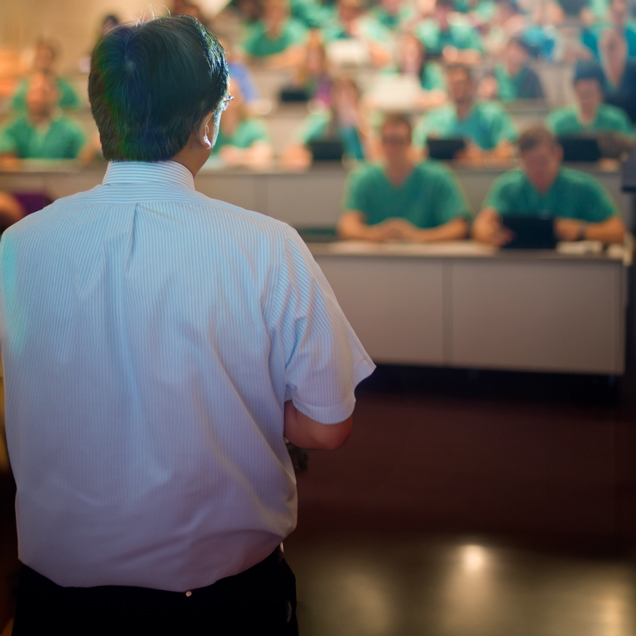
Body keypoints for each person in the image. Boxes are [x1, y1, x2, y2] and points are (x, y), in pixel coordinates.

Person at [1, 15, 374, 634]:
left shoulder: (19, 246)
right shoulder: (266, 247)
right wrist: (234, 398)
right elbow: (328, 427)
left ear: (101, 120)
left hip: (57, 604)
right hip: (221, 605)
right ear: (208, 121)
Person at [472, 126, 626, 245]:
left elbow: (618, 231)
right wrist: (488, 234)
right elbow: (481, 224)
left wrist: (581, 231)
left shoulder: (582, 186)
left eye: (543, 161)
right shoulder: (507, 186)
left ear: (557, 154)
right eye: (530, 163)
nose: (537, 169)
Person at [338, 114, 471, 242]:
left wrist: (417, 236)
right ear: (380, 142)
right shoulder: (364, 178)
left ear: (410, 142)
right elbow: (347, 225)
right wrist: (376, 235)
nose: (393, 148)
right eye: (388, 140)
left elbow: (460, 226)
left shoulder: (436, 177)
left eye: (398, 141)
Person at [413, 64, 518, 162]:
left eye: (461, 83)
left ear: (471, 85)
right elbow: (415, 152)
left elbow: (507, 151)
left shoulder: (493, 115)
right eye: (452, 84)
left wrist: (481, 158)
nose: (457, 88)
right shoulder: (434, 118)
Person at [282, 76, 370, 169]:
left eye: (349, 96)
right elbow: (292, 149)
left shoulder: (365, 124)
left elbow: (377, 159)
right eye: (341, 95)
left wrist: (362, 127)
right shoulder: (321, 120)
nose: (345, 101)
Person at [0, 71, 85, 160]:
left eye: (43, 92)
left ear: (55, 94)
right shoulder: (14, 128)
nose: (37, 98)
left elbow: (83, 159)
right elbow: (4, 149)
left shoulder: (71, 131)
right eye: (33, 92)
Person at [546, 59, 634, 137]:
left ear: (601, 90)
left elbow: (630, 147)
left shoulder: (616, 121)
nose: (587, 98)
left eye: (591, 93)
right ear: (574, 88)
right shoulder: (559, 122)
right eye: (584, 94)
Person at [207, 81, 273, 168]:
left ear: (239, 99)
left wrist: (238, 157)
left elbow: (264, 156)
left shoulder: (253, 126)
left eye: (228, 97)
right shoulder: (208, 128)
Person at [11, 39, 82, 112]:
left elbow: (77, 109)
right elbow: (15, 110)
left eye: (46, 57)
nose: (43, 61)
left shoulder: (65, 87)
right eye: (39, 57)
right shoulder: (23, 87)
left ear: (53, 60)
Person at [415, 0, 485, 64]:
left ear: (451, 10)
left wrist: (457, 56)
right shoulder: (424, 32)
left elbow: (478, 56)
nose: (442, 13)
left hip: (462, 71)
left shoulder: (463, 30)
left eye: (445, 8)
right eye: (439, 8)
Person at [241, 0, 308, 65]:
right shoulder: (258, 31)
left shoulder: (295, 30)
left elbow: (297, 57)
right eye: (270, 10)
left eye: (278, 10)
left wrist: (261, 62)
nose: (274, 14)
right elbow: (243, 55)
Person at [479, 36, 545, 102]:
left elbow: (540, 102)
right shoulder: (493, 73)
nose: (514, 54)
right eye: (512, 49)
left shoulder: (531, 75)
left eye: (520, 51)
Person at [599, 27, 636, 122]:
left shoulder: (633, 70)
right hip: (610, 130)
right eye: (604, 47)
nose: (608, 52)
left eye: (612, 46)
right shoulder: (599, 75)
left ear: (623, 46)